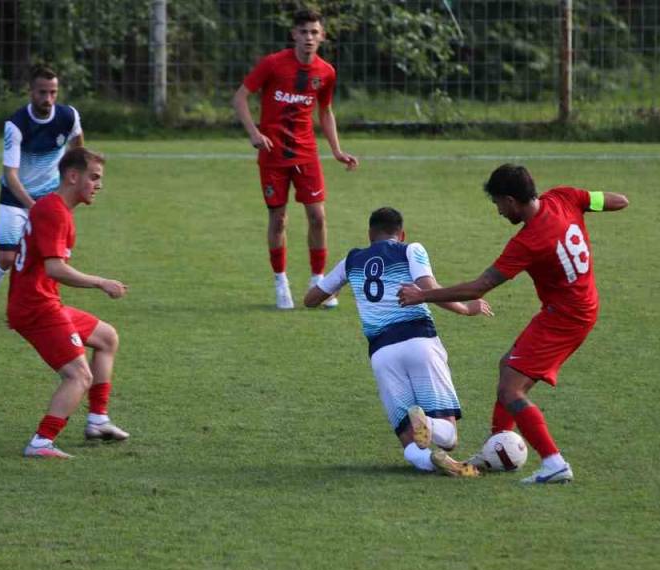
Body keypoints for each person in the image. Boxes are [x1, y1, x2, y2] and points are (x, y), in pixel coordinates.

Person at [397, 164, 630, 484]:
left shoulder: (530, 241)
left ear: (511, 200)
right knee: (508, 365)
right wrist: (598, 205)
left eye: (497, 204)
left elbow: (478, 288)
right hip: (578, 306)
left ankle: (554, 462)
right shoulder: (564, 197)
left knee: (511, 390)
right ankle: (499, 447)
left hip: (566, 317)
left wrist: (424, 294)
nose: (498, 212)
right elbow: (618, 200)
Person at [304, 207, 492, 476]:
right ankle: (428, 425)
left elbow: (311, 300)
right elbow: (429, 287)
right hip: (419, 342)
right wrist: (466, 308)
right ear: (401, 234)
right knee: (448, 436)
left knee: (408, 437)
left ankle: (432, 462)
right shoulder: (410, 249)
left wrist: (343, 282)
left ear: (370, 234)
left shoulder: (351, 260)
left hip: (382, 353)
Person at [232, 8, 360, 311]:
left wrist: (337, 150)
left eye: (314, 32)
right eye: (303, 32)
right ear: (294, 35)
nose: (309, 38)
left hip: (306, 155)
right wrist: (254, 133)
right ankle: (281, 282)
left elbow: (325, 112)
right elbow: (239, 97)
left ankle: (318, 282)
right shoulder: (273, 64)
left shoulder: (326, 72)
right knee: (278, 220)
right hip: (273, 156)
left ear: (322, 36)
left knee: (318, 217)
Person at [8, 148, 129, 459]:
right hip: (36, 308)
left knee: (106, 337)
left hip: (43, 301)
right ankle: (41, 442)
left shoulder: (55, 208)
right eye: (94, 177)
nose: (98, 185)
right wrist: (101, 282)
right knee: (79, 376)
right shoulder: (55, 212)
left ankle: (98, 421)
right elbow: (55, 268)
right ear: (73, 176)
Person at [0, 66, 84, 324]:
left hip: (51, 197)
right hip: (16, 198)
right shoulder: (16, 125)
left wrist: (73, 184)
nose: (48, 99)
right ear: (31, 91)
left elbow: (77, 151)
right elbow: (11, 175)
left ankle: (45, 308)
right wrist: (33, 206)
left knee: (52, 257)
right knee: (7, 257)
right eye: (42, 92)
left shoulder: (68, 116)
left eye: (53, 92)